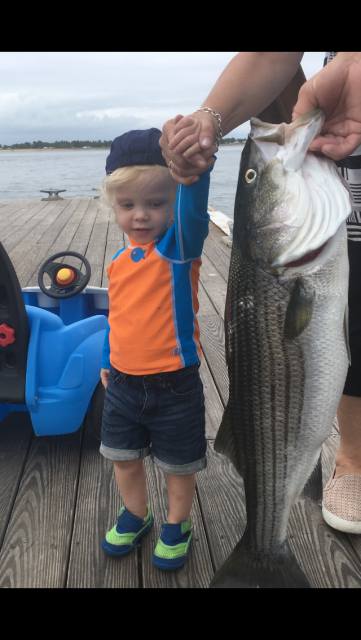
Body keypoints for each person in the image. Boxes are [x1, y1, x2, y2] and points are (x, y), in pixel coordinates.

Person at [159, 51, 361, 535]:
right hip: (345, 139)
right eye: (255, 175)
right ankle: (351, 460)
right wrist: (209, 119)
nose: (259, 164)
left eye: (253, 175)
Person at [98, 128, 215, 569]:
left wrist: (195, 174)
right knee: (123, 460)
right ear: (113, 207)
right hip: (124, 385)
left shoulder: (178, 250)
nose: (141, 216)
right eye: (127, 205)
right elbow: (118, 315)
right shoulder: (116, 261)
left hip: (175, 387)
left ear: (174, 204)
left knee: (178, 464)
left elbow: (194, 217)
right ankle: (135, 514)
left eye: (156, 203)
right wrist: (108, 359)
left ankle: (178, 522)